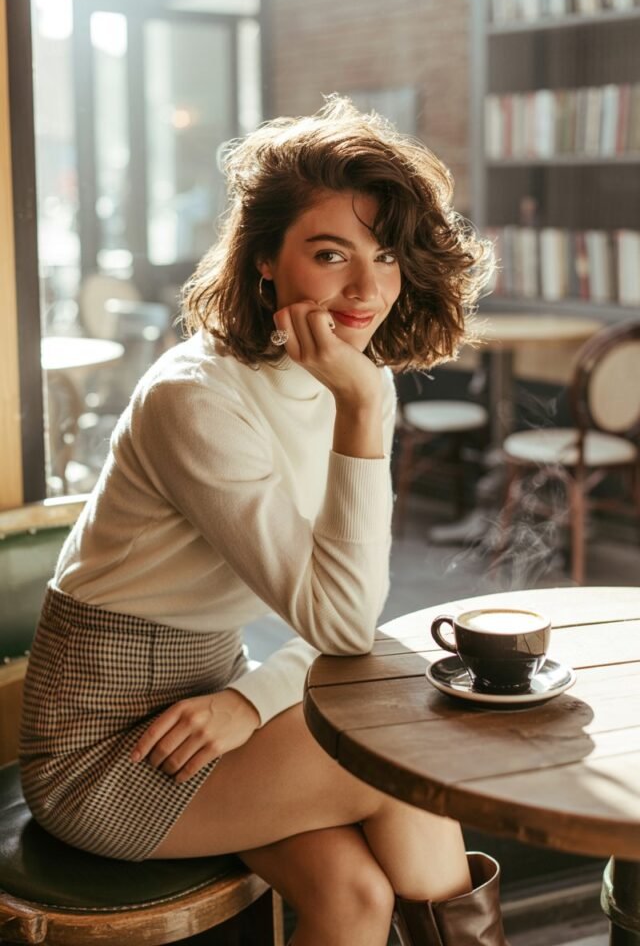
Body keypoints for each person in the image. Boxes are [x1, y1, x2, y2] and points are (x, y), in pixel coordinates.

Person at [20, 96, 501, 946]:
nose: (366, 289)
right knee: (402, 762)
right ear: (266, 264)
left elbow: (343, 620)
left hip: (208, 708)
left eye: (385, 256)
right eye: (329, 254)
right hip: (105, 757)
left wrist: (252, 697)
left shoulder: (356, 378)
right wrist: (359, 406)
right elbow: (348, 623)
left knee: (354, 893)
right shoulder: (196, 400)